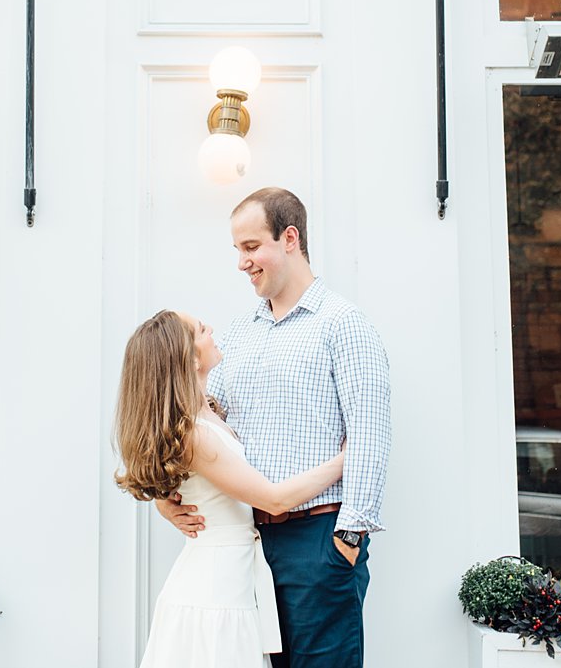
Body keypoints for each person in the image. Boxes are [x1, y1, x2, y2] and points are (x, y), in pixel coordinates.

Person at [159, 187, 391, 668]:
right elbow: (193, 415)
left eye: (250, 247)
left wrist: (347, 541)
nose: (242, 262)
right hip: (249, 546)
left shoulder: (343, 325)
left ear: (290, 238)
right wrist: (165, 494)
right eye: (237, 250)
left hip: (318, 541)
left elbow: (371, 434)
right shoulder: (240, 333)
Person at [115, 309, 346, 668]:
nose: (212, 332)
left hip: (229, 575)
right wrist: (344, 460)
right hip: (214, 588)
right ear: (189, 359)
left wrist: (165, 501)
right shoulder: (196, 435)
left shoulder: (206, 413)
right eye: (203, 330)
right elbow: (275, 499)